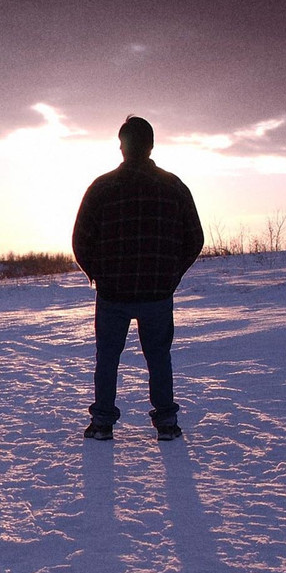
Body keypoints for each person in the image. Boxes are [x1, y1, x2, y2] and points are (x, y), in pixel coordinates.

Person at [72, 115, 204, 441]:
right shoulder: (174, 187)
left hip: (113, 293)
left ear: (122, 147)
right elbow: (195, 238)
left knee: (107, 359)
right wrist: (170, 275)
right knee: (159, 357)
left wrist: (97, 276)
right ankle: (167, 425)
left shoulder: (102, 187)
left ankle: (102, 423)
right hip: (157, 292)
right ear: (151, 145)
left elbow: (80, 240)